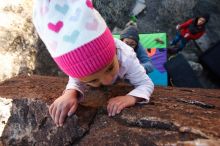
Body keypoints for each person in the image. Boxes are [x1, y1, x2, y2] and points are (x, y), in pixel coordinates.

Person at [33, 0, 154, 127]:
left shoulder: (127, 56)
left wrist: (131, 98)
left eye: (110, 68)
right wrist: (70, 92)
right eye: (93, 80)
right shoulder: (78, 67)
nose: (107, 81)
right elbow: (75, 78)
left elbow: (145, 83)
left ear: (114, 50)